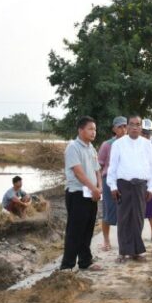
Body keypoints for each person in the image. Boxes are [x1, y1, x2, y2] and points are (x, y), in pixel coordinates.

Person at [107, 115, 152, 262]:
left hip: (141, 186)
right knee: (123, 219)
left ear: (141, 127)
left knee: (138, 219)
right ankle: (123, 253)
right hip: (123, 185)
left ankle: (136, 252)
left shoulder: (147, 144)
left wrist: (151, 187)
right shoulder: (118, 144)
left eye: (138, 124)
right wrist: (113, 186)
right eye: (132, 124)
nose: (135, 127)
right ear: (127, 127)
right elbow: (112, 167)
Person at [61, 116, 103, 271]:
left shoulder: (91, 148)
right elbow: (78, 172)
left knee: (88, 229)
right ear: (81, 130)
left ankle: (85, 261)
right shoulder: (73, 147)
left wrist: (99, 187)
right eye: (90, 129)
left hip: (91, 194)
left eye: (95, 129)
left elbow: (97, 170)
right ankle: (67, 265)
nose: (94, 132)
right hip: (77, 194)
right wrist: (94, 188)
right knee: (75, 231)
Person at [98, 116, 128, 251]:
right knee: (108, 210)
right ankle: (106, 240)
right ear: (114, 129)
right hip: (108, 181)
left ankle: (125, 240)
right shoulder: (107, 144)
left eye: (125, 126)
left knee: (126, 211)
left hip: (125, 181)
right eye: (120, 127)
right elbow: (99, 166)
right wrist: (98, 184)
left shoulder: (131, 144)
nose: (123, 129)